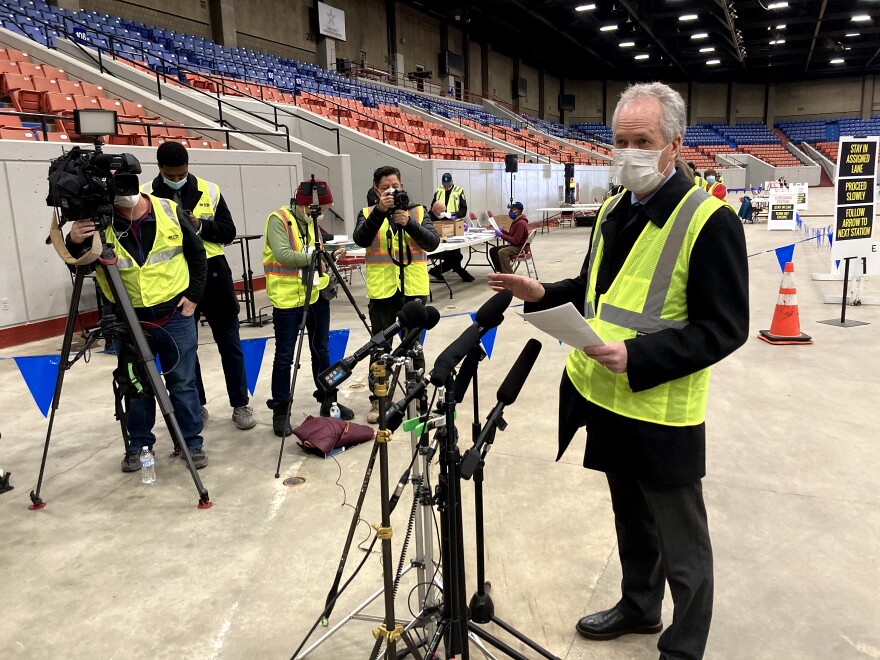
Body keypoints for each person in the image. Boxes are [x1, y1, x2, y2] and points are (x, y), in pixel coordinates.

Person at [488, 82, 749, 660]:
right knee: (631, 520)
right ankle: (639, 605)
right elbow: (592, 290)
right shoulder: (611, 208)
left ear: (673, 145)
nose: (627, 151)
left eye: (642, 141)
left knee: (683, 541)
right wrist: (543, 291)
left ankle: (684, 646)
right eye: (620, 140)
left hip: (660, 407)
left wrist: (641, 356)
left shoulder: (710, 222)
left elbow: (724, 328)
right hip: (606, 397)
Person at [67, 174, 209, 471]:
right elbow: (78, 263)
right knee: (136, 386)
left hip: (175, 317)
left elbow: (198, 256)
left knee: (183, 383)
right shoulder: (100, 222)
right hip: (128, 321)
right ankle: (140, 445)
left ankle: (191, 442)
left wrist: (194, 297)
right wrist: (74, 241)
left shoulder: (169, 210)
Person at [146, 141, 255, 431]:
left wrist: (201, 226)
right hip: (175, 280)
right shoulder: (146, 194)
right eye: (170, 174)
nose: (176, 177)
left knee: (230, 343)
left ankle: (240, 403)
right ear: (160, 169)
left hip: (214, 275)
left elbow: (228, 231)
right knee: (185, 349)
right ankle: (197, 404)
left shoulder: (210, 190)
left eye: (181, 172)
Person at [263, 181, 354, 436]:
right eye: (323, 208)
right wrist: (321, 256)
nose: (324, 213)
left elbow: (315, 250)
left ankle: (328, 399)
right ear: (307, 205)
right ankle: (281, 410)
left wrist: (329, 255)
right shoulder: (278, 219)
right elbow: (284, 255)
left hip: (315, 295)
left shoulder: (311, 222)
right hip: (287, 300)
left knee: (321, 350)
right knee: (284, 357)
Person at [355, 165, 440, 424]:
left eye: (395, 186)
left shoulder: (418, 211)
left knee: (414, 346)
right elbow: (360, 239)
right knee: (381, 348)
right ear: (376, 190)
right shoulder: (368, 212)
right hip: (383, 292)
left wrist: (410, 223)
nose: (391, 191)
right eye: (385, 188)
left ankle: (418, 396)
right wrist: (380, 212)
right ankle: (378, 400)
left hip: (413, 290)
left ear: (402, 186)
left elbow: (433, 242)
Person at [429, 172, 473, 282]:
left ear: (452, 182)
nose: (446, 186)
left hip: (453, 222)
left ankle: (454, 270)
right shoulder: (439, 191)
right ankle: (460, 272)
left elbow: (463, 209)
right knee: (455, 257)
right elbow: (433, 206)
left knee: (456, 255)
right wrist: (441, 214)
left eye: (448, 184)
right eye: (444, 184)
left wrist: (454, 216)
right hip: (440, 225)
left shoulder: (459, 191)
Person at [489, 202, 528, 274]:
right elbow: (511, 235)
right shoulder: (516, 221)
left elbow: (516, 241)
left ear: (517, 211)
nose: (510, 212)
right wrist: (502, 231)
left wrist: (501, 235)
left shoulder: (520, 223)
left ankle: (509, 274)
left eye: (512, 210)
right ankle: (501, 271)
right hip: (516, 245)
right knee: (493, 250)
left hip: (519, 247)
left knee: (502, 252)